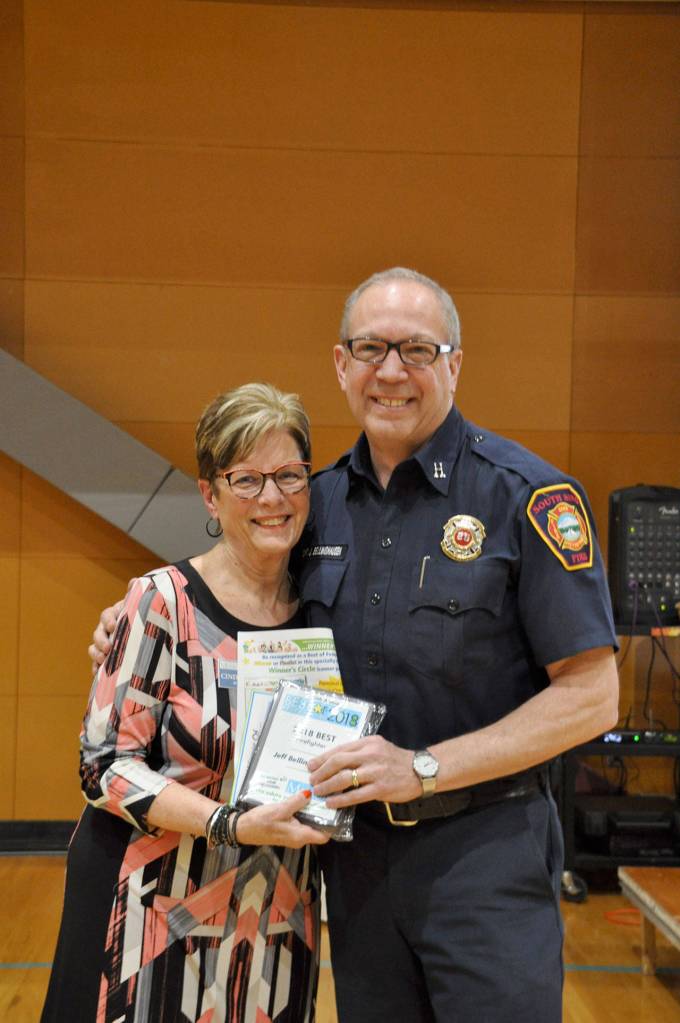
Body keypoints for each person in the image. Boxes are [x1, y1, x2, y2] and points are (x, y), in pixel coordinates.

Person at [91, 268, 619, 1023]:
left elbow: (594, 696)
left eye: (417, 349)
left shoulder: (525, 498)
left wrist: (422, 768)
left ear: (455, 363)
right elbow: (241, 603)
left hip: (486, 856)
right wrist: (137, 624)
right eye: (371, 348)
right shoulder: (318, 502)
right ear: (341, 364)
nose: (391, 371)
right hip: (354, 862)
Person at [44, 383, 329, 1023]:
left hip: (275, 915)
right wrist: (229, 823)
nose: (273, 498)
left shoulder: (320, 612)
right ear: (210, 494)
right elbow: (102, 768)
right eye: (246, 479)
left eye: (289, 475)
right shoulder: (161, 601)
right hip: (148, 913)